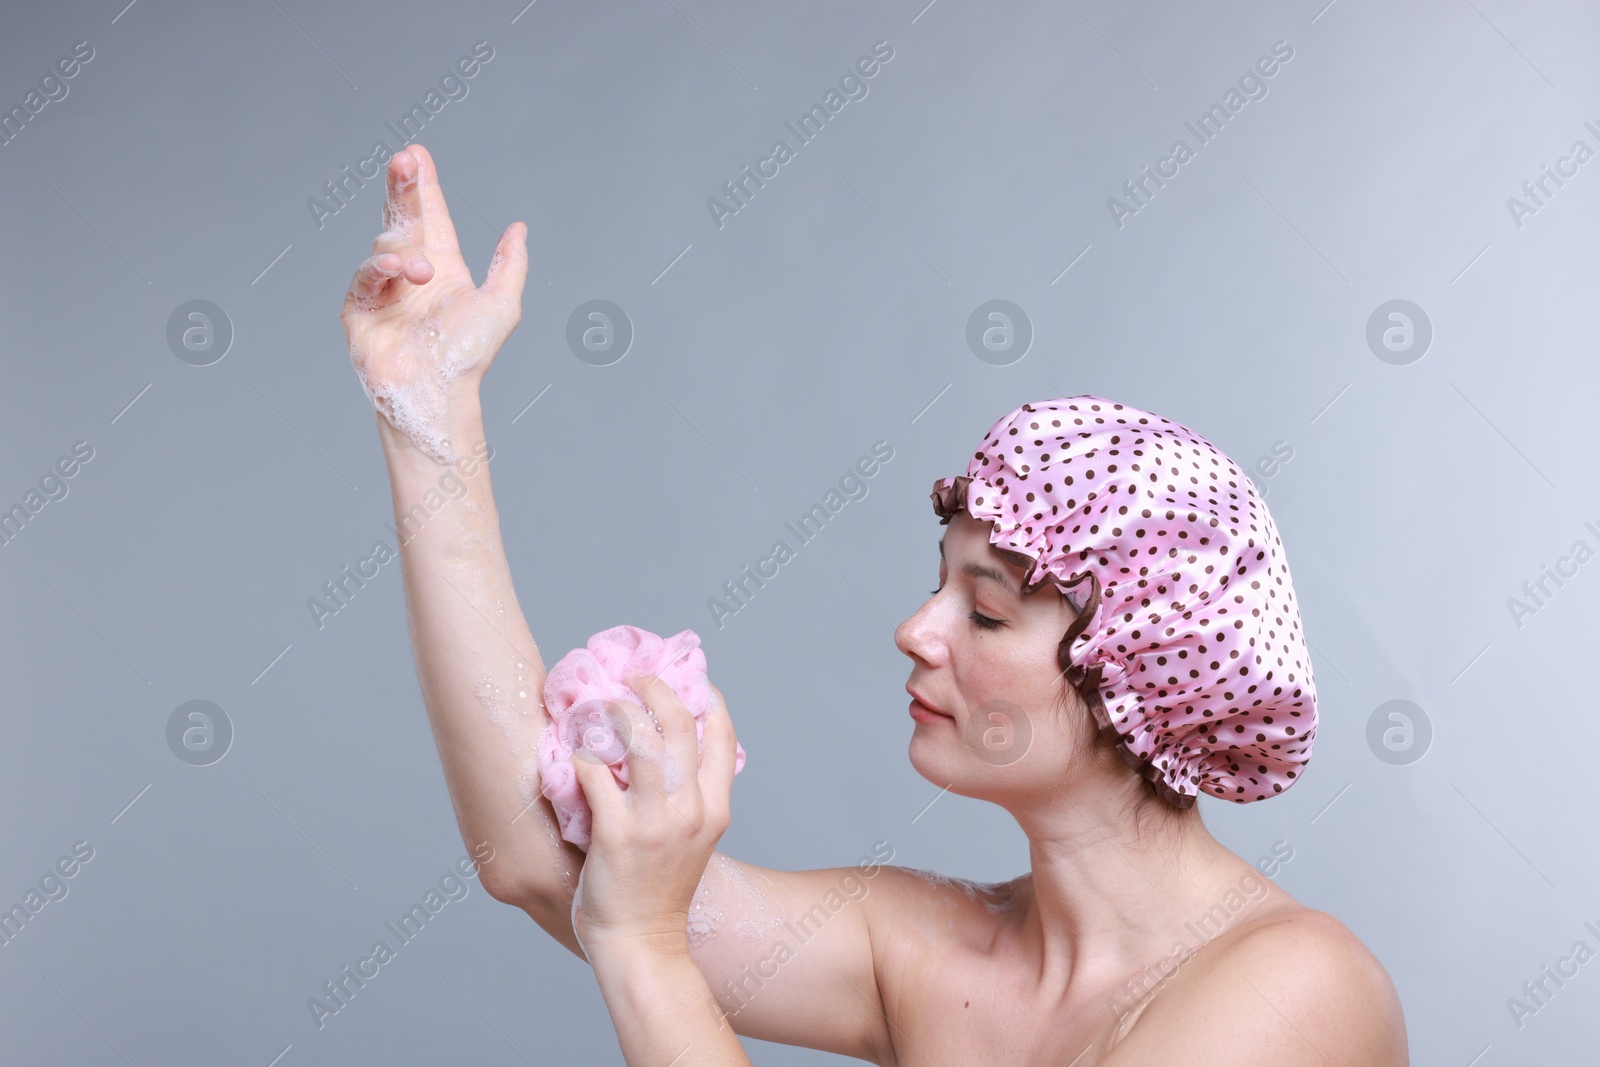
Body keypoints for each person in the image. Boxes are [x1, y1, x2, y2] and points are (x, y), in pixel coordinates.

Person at [340, 143, 1409, 1065]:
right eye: (938, 584)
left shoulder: (1294, 987)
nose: (915, 628)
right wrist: (427, 412)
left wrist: (645, 946)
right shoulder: (928, 941)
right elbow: (539, 858)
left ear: (1136, 678)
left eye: (985, 613)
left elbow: (625, 918)